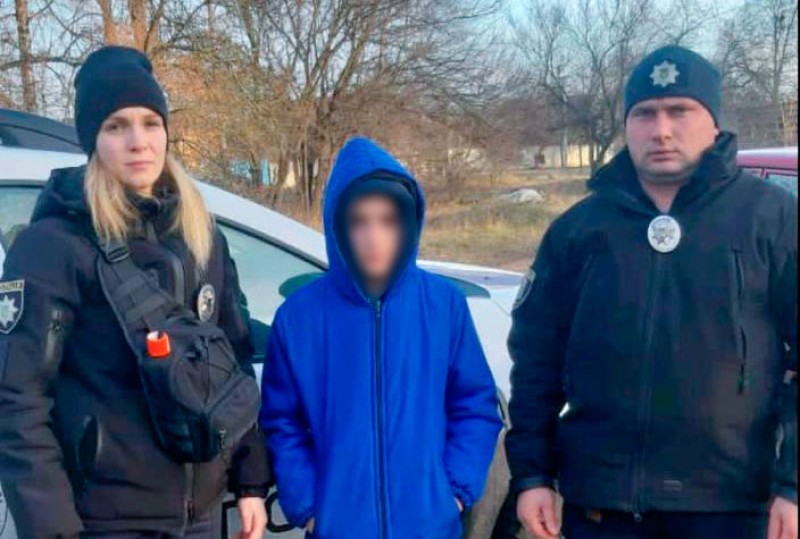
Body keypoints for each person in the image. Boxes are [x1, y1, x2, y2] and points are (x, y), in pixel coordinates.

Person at [506, 45, 797, 539]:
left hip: (729, 506)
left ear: (713, 122)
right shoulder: (579, 230)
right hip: (603, 505)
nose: (661, 130)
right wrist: (532, 475)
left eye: (679, 111)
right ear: (627, 125)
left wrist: (792, 484)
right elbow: (536, 361)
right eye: (645, 114)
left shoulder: (773, 220)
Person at [0, 46, 270, 539]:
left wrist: (250, 480)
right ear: (93, 140)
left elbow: (231, 360)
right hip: (104, 521)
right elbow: (18, 401)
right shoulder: (53, 246)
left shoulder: (201, 235)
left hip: (201, 517)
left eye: (150, 123)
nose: (138, 141)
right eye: (116, 126)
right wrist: (54, 529)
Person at [260, 137, 502, 539]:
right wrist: (311, 505)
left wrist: (452, 492)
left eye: (388, 221)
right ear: (337, 225)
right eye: (359, 221)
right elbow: (282, 422)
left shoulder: (443, 306)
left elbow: (475, 405)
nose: (374, 237)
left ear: (408, 223)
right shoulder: (299, 318)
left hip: (429, 528)